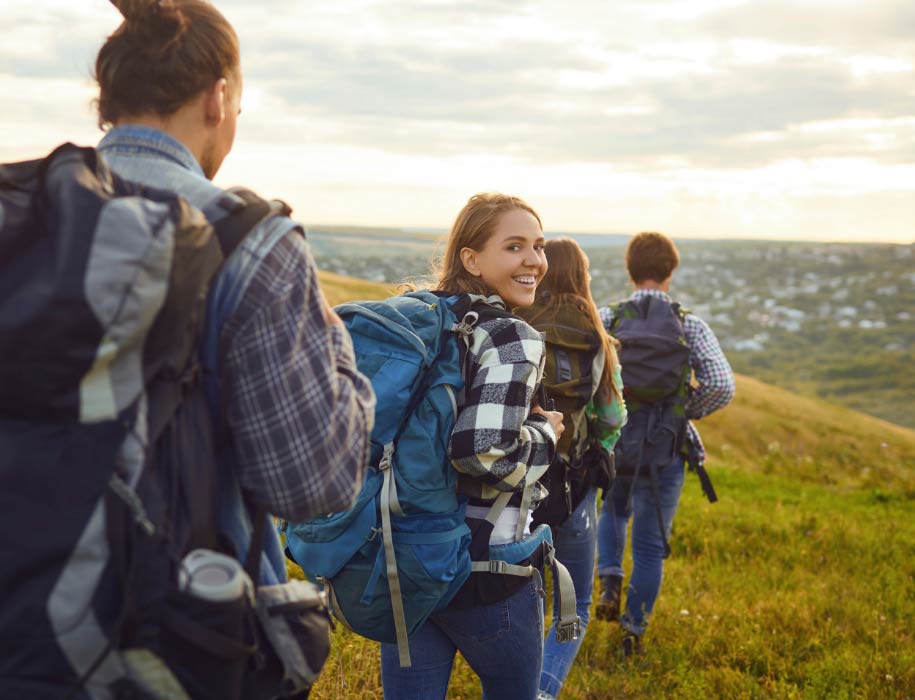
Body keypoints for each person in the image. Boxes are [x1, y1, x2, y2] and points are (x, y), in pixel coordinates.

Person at [0, 1, 375, 697]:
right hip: (173, 641)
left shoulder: (17, 210)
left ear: (110, 97)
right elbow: (311, 485)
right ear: (218, 97)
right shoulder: (249, 241)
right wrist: (342, 358)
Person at [379, 193, 564, 700]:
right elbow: (481, 451)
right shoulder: (511, 336)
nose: (534, 261)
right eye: (514, 247)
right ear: (471, 259)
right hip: (487, 564)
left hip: (405, 555)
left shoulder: (414, 317)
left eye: (539, 246)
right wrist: (546, 433)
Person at [594, 231, 735, 657]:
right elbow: (722, 386)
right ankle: (632, 633)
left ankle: (609, 579)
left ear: (630, 270)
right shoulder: (689, 324)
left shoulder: (608, 317)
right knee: (651, 548)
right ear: (670, 271)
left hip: (615, 442)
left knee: (612, 511)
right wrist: (680, 412)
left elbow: (587, 374)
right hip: (665, 451)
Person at [518, 238, 627, 700]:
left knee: (520, 598)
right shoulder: (596, 336)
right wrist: (597, 450)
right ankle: (542, 693)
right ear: (581, 276)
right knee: (576, 602)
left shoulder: (517, 322)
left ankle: (513, 687)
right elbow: (613, 417)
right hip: (573, 484)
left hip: (514, 482)